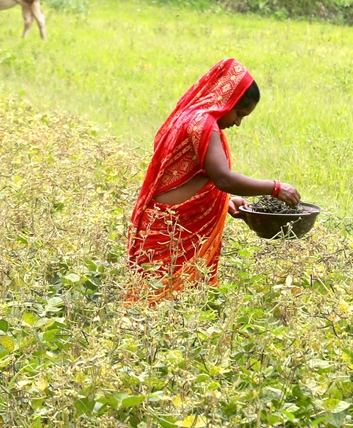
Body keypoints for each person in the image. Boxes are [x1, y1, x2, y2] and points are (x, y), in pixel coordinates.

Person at [127, 58, 300, 302]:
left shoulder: (191, 117)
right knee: (159, 303)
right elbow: (223, 179)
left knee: (172, 308)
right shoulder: (202, 124)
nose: (237, 123)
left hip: (168, 224)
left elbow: (196, 177)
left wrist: (226, 201)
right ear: (226, 100)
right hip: (171, 230)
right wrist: (275, 188)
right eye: (239, 114)